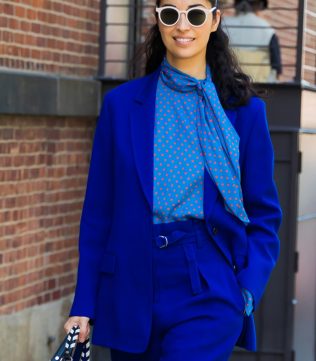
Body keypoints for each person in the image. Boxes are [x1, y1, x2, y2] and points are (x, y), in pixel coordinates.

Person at [64, 0, 282, 360]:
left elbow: (264, 214)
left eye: (195, 14)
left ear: (214, 21)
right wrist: (83, 303)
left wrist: (245, 291)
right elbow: (98, 214)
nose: (183, 26)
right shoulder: (121, 105)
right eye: (171, 14)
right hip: (130, 283)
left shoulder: (244, 112)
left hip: (207, 284)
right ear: (158, 20)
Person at [223, 0, 282, 82]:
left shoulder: (223, 25)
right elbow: (277, 69)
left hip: (227, 86)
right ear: (259, 6)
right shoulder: (267, 30)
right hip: (260, 89)